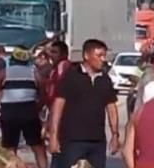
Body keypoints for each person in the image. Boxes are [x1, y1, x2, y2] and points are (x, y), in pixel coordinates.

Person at [49, 39, 120, 168]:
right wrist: (53, 135)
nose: (103, 59)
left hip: (97, 141)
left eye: (104, 56)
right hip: (72, 140)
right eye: (99, 56)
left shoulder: (104, 79)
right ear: (86, 56)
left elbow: (111, 107)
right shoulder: (71, 76)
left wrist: (115, 135)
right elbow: (58, 105)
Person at [0, 46, 48, 168]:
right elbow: (43, 95)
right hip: (29, 112)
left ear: (12, 59)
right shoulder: (35, 74)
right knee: (37, 146)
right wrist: (36, 108)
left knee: (10, 147)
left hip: (9, 112)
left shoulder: (3, 73)